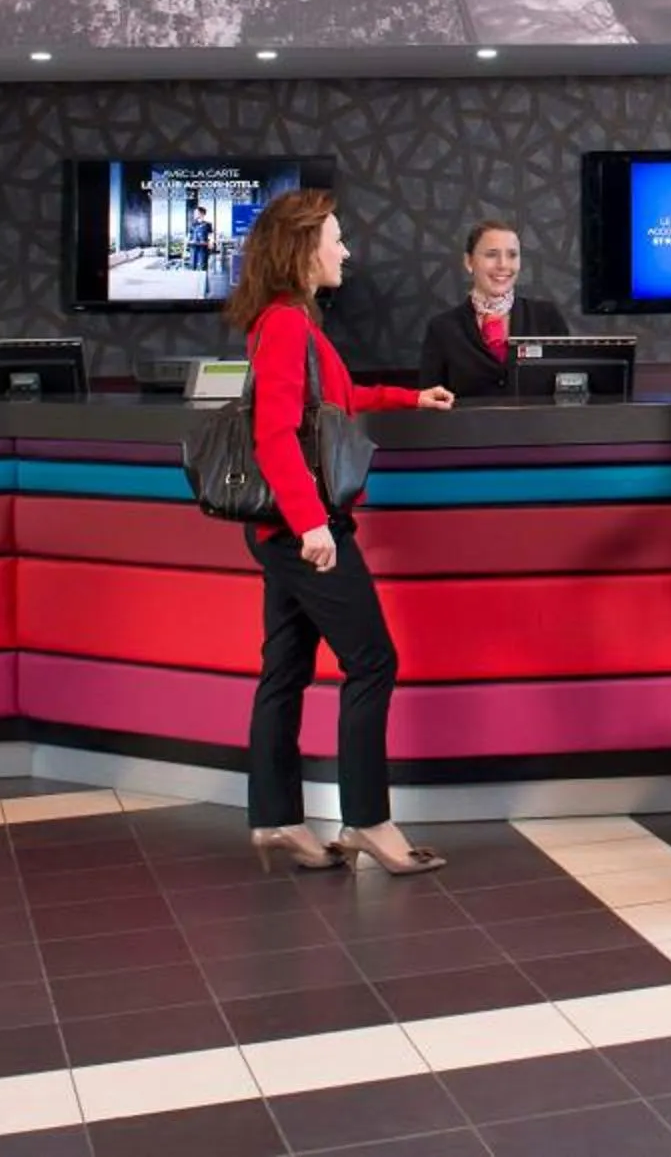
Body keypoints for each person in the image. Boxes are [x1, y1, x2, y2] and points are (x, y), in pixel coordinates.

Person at [225, 187, 457, 875]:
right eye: (336, 237)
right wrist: (312, 524)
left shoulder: (289, 321)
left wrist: (411, 396)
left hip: (278, 532)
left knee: (287, 670)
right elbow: (272, 433)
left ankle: (276, 821)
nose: (346, 250)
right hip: (298, 531)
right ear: (304, 251)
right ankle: (368, 822)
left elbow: (337, 402)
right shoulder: (287, 324)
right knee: (374, 661)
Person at [415, 220, 573, 400]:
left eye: (512, 255)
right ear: (469, 262)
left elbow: (569, 389)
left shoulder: (546, 316)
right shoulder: (442, 328)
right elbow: (431, 404)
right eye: (491, 255)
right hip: (469, 428)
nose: (503, 265)